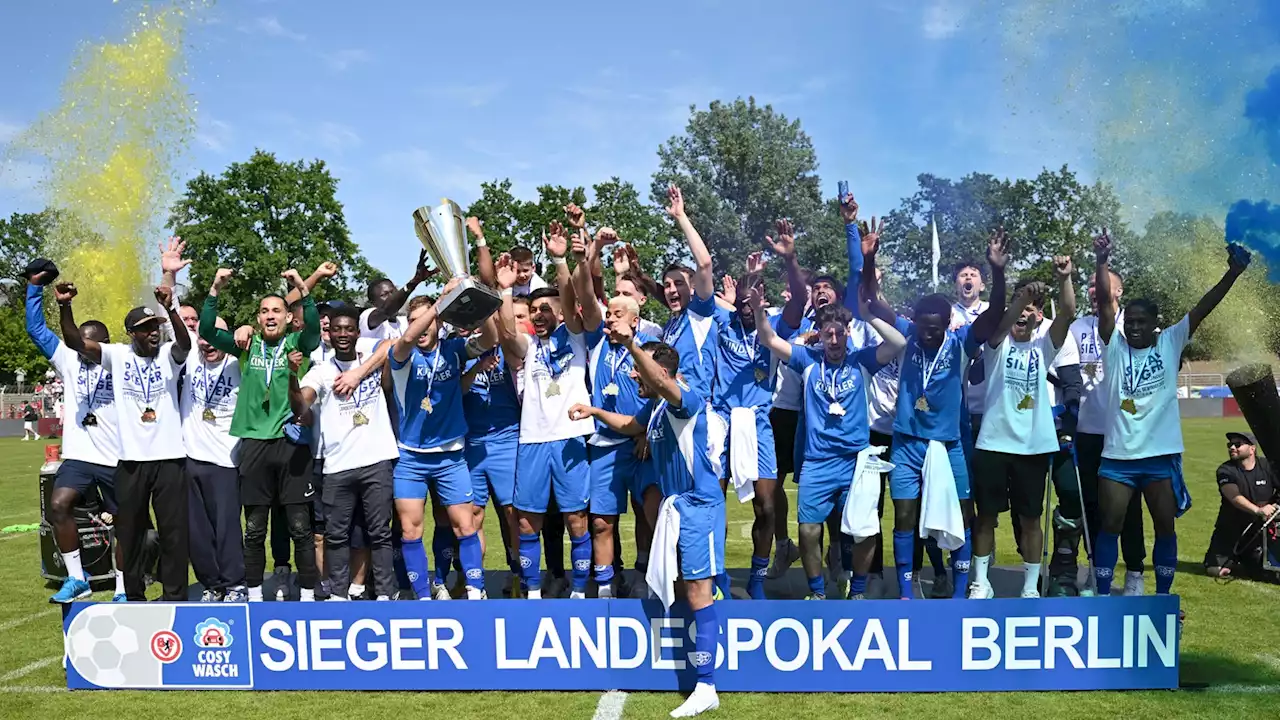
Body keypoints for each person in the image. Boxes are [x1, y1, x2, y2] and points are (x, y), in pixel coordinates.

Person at [568, 334, 722, 718]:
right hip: (678, 508)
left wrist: (632, 344)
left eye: (639, 371)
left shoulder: (684, 397)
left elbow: (665, 383)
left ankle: (706, 685)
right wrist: (594, 412)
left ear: (660, 373)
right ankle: (704, 671)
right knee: (689, 586)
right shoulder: (654, 408)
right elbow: (628, 425)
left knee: (700, 591)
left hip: (698, 505)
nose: (633, 376)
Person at [1092, 232, 1250, 601]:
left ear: (1154, 324)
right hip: (1118, 458)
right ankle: (1101, 595)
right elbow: (1103, 307)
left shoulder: (1170, 342)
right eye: (1129, 320)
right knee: (1109, 527)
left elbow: (1203, 307)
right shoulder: (1114, 346)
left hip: (1160, 458)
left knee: (1165, 528)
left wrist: (1232, 274)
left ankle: (1163, 597)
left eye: (1141, 321)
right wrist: (1101, 262)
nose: (1133, 327)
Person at [753, 269, 907, 600]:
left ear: (848, 333)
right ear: (819, 335)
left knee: (863, 532)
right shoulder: (807, 359)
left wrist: (868, 315)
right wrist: (757, 310)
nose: (834, 341)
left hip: (856, 461)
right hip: (818, 462)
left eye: (839, 333)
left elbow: (898, 343)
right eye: (828, 334)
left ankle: (860, 590)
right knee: (808, 529)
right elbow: (769, 339)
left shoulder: (862, 360)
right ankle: (817, 591)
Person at [61, 282, 192, 602]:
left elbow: (185, 345)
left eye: (156, 327)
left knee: (174, 534)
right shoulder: (116, 356)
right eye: (146, 329)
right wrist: (65, 306)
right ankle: (133, 596)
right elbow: (76, 341)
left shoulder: (168, 356)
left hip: (170, 459)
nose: (154, 333)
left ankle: (175, 596)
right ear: (132, 332)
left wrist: (171, 309)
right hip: (131, 462)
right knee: (131, 534)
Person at [199, 267, 321, 601]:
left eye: (277, 311)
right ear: (258, 318)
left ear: (287, 318)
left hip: (290, 444)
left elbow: (313, 328)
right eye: (265, 311)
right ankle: (254, 596)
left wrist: (302, 289)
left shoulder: (299, 344)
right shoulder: (246, 345)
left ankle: (308, 597)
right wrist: (215, 288)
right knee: (254, 530)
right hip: (253, 445)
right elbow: (207, 330)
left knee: (300, 528)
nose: (270, 316)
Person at [497, 216, 599, 600]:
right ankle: (534, 591)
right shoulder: (529, 348)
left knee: (576, 519)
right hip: (534, 440)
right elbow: (508, 333)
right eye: (533, 310)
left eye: (544, 309)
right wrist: (506, 291)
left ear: (559, 313)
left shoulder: (575, 337)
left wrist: (560, 261)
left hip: (570, 438)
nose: (537, 314)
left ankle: (578, 591)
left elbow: (574, 302)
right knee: (526, 523)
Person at [968, 259, 1075, 599]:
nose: (1024, 315)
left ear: (1038, 316)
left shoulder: (1043, 348)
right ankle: (980, 582)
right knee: (985, 517)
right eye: (1020, 308)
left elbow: (1068, 312)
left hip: (1032, 447)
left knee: (1030, 519)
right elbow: (1003, 324)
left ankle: (1030, 586)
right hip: (993, 444)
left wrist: (1065, 278)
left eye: (1031, 310)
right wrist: (1022, 299)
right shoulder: (996, 347)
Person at [387, 279, 500, 601]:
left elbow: (490, 338)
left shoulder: (453, 350)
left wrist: (478, 300)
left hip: (451, 455)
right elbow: (409, 336)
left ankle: (475, 591)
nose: (420, 328)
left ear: (439, 324)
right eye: (414, 320)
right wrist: (441, 301)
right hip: (411, 457)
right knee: (411, 530)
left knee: (465, 526)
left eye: (427, 321)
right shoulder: (402, 354)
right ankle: (423, 595)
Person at [25, 271, 127, 602]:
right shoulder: (68, 360)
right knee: (58, 504)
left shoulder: (119, 360)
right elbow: (37, 330)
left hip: (116, 457)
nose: (81, 347)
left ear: (103, 342)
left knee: (125, 523)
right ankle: (76, 577)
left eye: (87, 342)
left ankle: (124, 589)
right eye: (77, 341)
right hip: (80, 457)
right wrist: (34, 288)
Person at [289, 307, 401, 601]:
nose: (342, 334)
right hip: (337, 465)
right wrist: (290, 376)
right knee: (335, 535)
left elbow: (392, 345)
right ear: (329, 333)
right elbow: (301, 405)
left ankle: (386, 593)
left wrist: (358, 373)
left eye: (348, 329)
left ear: (357, 332)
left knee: (380, 533)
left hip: (377, 460)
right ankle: (338, 594)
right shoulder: (321, 371)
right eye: (336, 329)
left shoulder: (368, 356)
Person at [572, 223, 656, 599]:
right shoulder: (597, 340)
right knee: (602, 522)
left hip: (641, 445)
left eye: (618, 313)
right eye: (609, 313)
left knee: (646, 515)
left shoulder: (650, 344)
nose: (610, 318)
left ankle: (643, 575)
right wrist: (589, 251)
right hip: (605, 445)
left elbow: (664, 392)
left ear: (635, 320)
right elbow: (587, 294)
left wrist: (644, 431)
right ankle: (605, 587)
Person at [1056, 269, 1148, 596]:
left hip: (1124, 431)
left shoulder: (1133, 325)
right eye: (1092, 285)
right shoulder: (1078, 327)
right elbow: (1063, 371)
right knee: (1092, 505)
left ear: (1119, 291)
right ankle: (1099, 572)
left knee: (1129, 506)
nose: (1096, 290)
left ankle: (1135, 571)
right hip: (1088, 431)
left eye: (1104, 285)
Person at [181, 312, 246, 603]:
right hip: (192, 457)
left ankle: (235, 584)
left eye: (214, 336)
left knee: (227, 528)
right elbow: (172, 314)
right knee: (197, 532)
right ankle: (211, 584)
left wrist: (245, 328)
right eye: (202, 336)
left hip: (227, 459)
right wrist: (170, 274)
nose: (207, 343)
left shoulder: (238, 363)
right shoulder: (189, 358)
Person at [1204, 431, 1280, 578]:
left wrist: (1275, 506)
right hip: (1230, 530)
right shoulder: (1225, 470)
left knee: (1268, 572)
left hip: (1259, 531)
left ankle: (1248, 561)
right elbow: (1233, 496)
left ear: (1252, 448)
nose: (1232, 447)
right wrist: (1258, 510)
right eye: (1230, 444)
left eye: (1237, 444)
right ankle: (1235, 560)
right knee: (1216, 570)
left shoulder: (1267, 466)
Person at [360, 253, 433, 340]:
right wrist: (414, 282)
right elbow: (386, 310)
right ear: (373, 302)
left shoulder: (404, 323)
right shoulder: (368, 318)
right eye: (384, 294)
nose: (392, 296)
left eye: (393, 291)